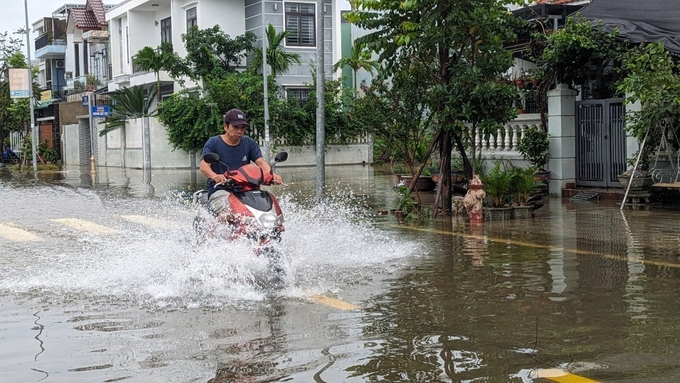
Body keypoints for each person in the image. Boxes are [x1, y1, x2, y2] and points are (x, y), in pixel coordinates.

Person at [200, 108, 283, 216]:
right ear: (226, 126)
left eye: (242, 128)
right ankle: (220, 232)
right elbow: (204, 166)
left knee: (268, 209)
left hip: (246, 189)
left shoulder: (248, 142)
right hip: (220, 189)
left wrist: (273, 175)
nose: (239, 131)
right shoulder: (214, 142)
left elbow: (261, 162)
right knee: (228, 213)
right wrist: (215, 176)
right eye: (235, 127)